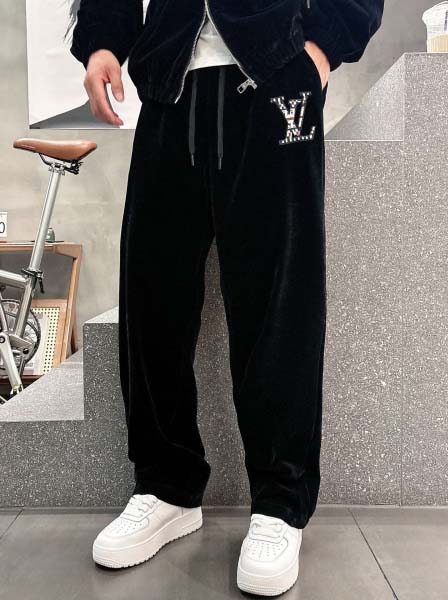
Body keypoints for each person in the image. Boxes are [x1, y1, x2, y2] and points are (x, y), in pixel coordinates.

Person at [71, 0, 384, 595]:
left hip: (275, 78)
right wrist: (103, 41)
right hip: (169, 84)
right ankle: (166, 486)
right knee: (151, 297)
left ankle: (279, 501)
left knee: (278, 302)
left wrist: (322, 47)